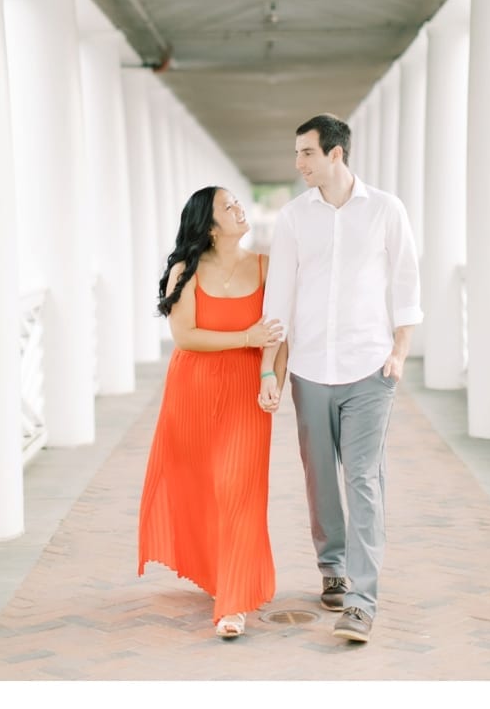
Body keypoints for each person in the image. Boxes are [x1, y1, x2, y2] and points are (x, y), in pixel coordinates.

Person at [257, 113, 422, 644]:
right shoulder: (293, 218)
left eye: (306, 152)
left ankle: (361, 601)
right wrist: (271, 370)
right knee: (319, 478)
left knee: (364, 482)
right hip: (309, 368)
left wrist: (399, 353)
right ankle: (332, 566)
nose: (299, 162)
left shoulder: (385, 210)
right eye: (297, 153)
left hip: (369, 368)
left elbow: (406, 285)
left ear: (335, 154)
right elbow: (278, 298)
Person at [138, 186, 285, 638]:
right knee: (202, 485)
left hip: (246, 391)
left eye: (239, 202)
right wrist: (246, 338)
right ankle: (219, 574)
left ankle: (233, 602)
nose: (240, 209)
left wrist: (270, 376)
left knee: (239, 488)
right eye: (229, 206)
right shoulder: (185, 271)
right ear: (208, 223)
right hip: (193, 390)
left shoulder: (265, 265)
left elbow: (278, 333)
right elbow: (186, 337)